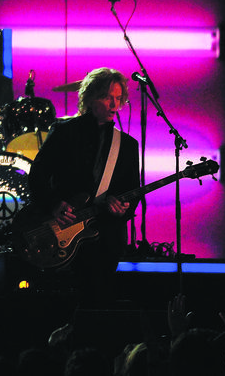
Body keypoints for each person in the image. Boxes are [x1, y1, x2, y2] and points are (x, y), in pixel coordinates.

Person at [26, 67, 140, 306]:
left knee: (100, 301)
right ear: (90, 98)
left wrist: (123, 208)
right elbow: (37, 175)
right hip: (62, 232)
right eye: (108, 97)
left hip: (106, 236)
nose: (114, 105)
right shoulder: (64, 132)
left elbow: (132, 191)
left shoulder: (127, 145)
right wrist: (54, 204)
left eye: (119, 99)